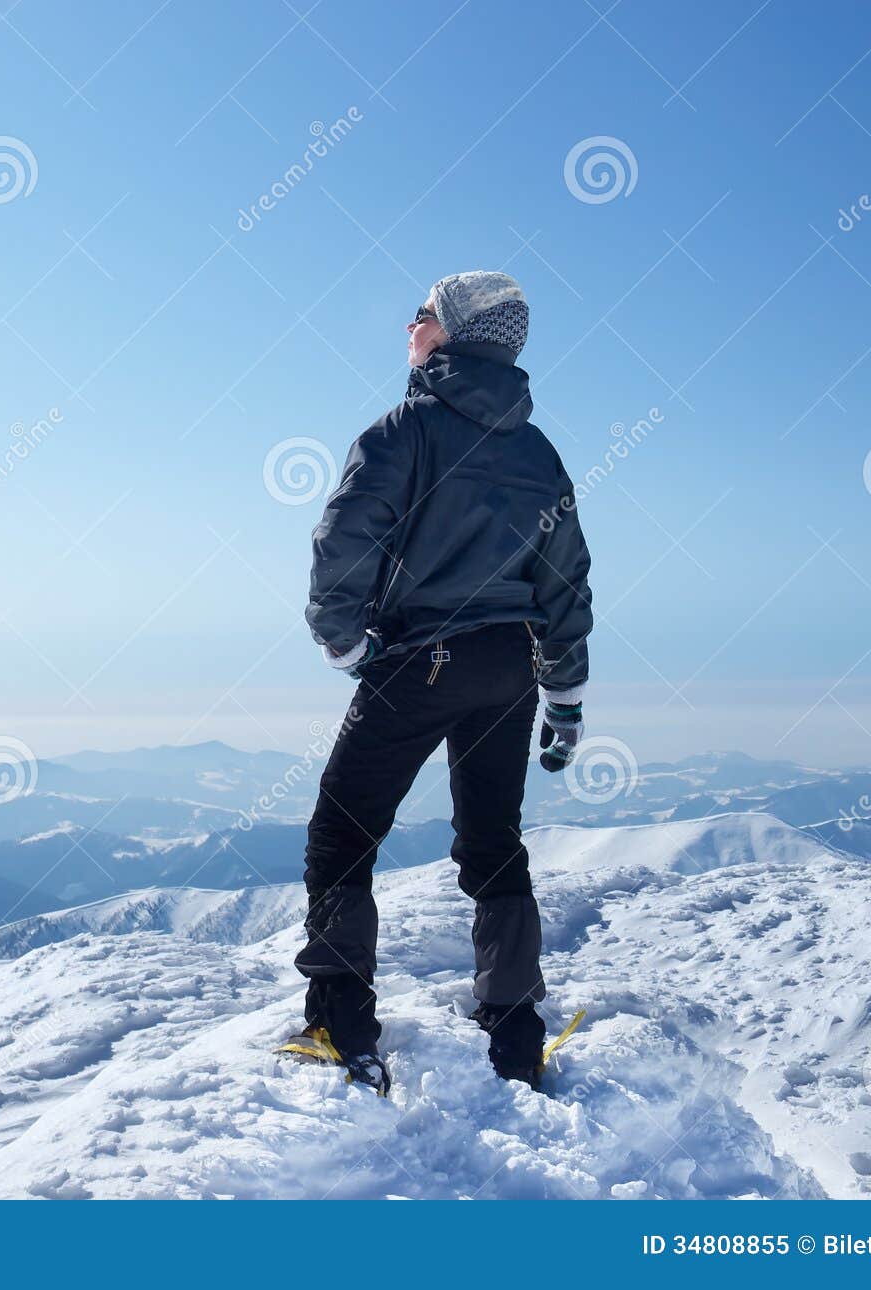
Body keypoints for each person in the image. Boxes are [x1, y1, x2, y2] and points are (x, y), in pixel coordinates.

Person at [276, 270, 593, 1096]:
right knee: (493, 841)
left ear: (449, 335)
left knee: (341, 834)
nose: (408, 328)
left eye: (420, 315)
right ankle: (515, 1028)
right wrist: (564, 696)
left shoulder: (406, 431)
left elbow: (342, 540)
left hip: (420, 660)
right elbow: (565, 586)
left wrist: (343, 643)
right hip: (509, 669)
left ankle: (343, 1026)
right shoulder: (539, 454)